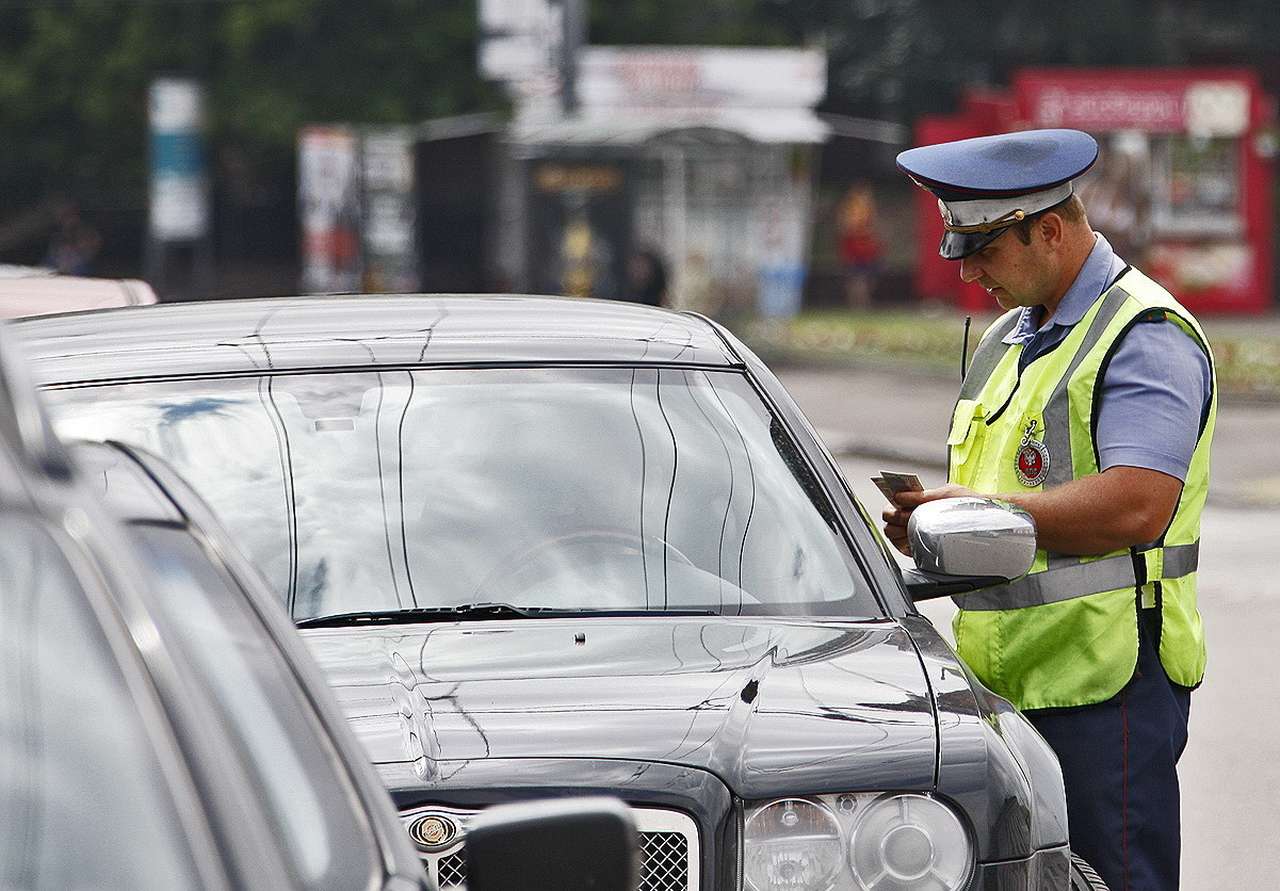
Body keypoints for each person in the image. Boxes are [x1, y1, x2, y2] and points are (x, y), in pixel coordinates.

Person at [886, 129, 1214, 891]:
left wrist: (979, 507)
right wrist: (938, 523)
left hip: (1105, 692)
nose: (970, 273)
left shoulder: (1144, 334)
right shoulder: (1010, 335)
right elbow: (1006, 505)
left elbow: (1138, 504)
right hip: (1006, 693)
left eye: (985, 251)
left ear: (1051, 230)